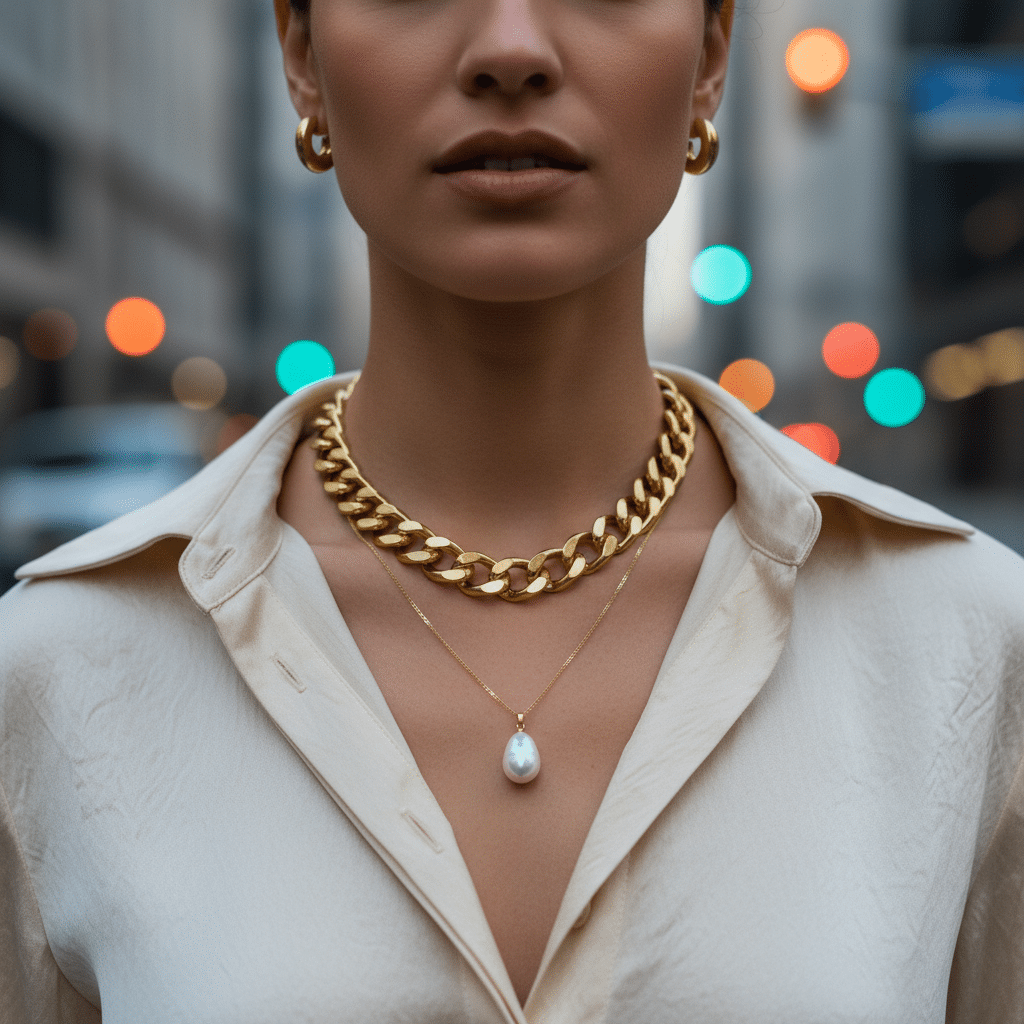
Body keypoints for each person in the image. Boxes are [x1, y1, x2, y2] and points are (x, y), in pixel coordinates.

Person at [1, 0, 1022, 1019]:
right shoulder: (60, 672)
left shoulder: (964, 647)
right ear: (303, 58)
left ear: (709, 56)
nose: (510, 51)